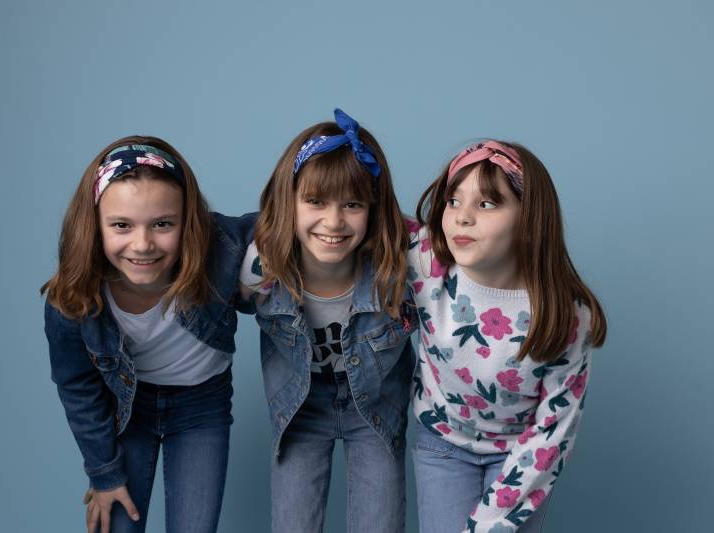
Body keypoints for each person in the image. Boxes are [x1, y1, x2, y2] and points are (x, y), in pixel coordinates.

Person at [42, 136, 255, 533]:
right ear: (94, 225)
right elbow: (77, 387)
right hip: (126, 413)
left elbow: (281, 224)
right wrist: (104, 473)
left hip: (202, 408)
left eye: (162, 224)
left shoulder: (219, 247)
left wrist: (261, 266)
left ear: (188, 222)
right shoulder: (73, 298)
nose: (142, 245)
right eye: (121, 225)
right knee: (119, 522)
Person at [408, 140, 607, 533]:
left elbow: (554, 431)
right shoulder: (425, 261)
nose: (462, 217)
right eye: (453, 201)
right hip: (442, 444)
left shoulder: (566, 314)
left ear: (529, 220)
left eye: (486, 204)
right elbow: (363, 227)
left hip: (522, 457)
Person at [239, 109, 417, 533]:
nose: (333, 222)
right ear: (289, 201)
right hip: (301, 407)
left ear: (373, 209)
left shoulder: (400, 265)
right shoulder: (261, 266)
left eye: (352, 204)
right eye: (315, 202)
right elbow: (204, 293)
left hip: (374, 405)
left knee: (381, 523)